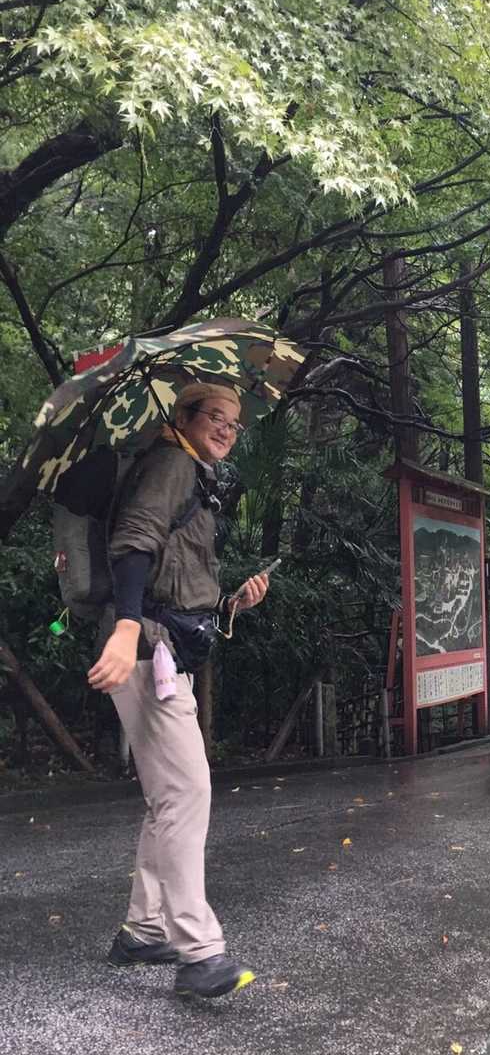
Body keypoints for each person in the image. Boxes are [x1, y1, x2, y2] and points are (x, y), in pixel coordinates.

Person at [87, 382, 270, 999]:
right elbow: (134, 543)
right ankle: (199, 954)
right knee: (187, 792)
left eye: (234, 423)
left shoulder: (192, 477)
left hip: (163, 647)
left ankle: (143, 931)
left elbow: (177, 583)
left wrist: (231, 602)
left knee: (166, 797)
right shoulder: (170, 463)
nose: (226, 430)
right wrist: (125, 627)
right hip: (147, 649)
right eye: (215, 417)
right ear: (184, 418)